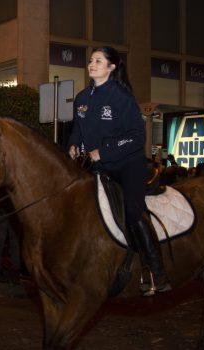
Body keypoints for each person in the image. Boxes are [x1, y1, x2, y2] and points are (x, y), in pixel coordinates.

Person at [68, 46, 170, 296]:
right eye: (91, 60)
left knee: (133, 211)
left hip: (127, 164)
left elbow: (137, 137)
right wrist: (73, 145)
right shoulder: (81, 98)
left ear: (111, 67)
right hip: (97, 167)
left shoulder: (122, 98)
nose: (92, 64)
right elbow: (78, 130)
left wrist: (103, 151)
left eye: (98, 61)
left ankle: (155, 271)